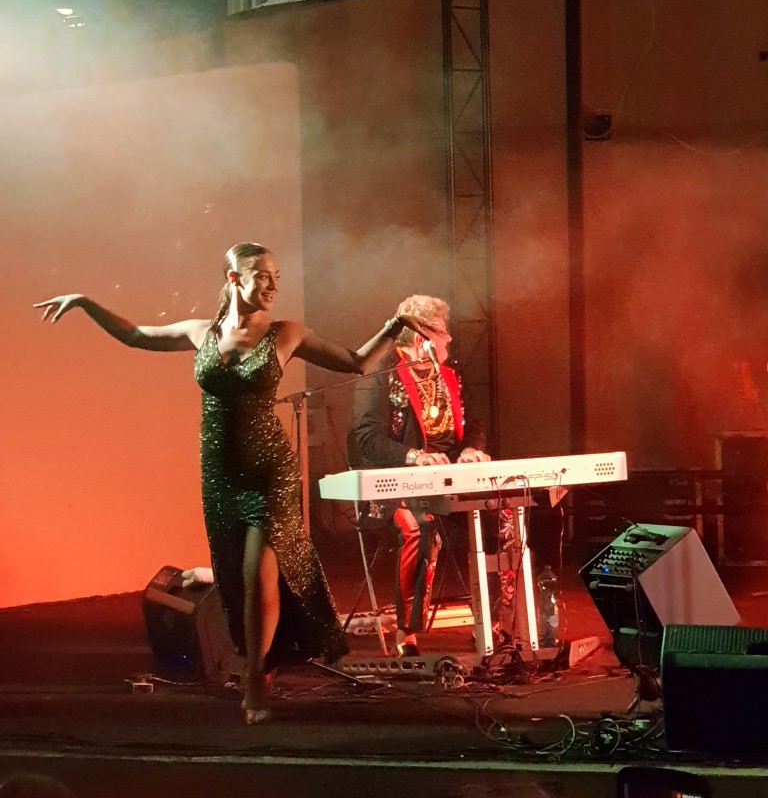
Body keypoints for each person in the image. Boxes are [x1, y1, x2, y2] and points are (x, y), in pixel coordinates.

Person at [34, 242, 435, 725]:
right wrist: (84, 302)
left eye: (276, 276)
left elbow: (356, 361)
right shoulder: (200, 331)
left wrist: (393, 326)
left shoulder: (287, 333)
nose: (272, 285)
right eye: (262, 275)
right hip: (220, 474)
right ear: (234, 279)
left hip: (269, 471)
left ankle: (255, 679)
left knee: (256, 574)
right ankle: (261, 665)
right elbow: (136, 335)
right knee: (233, 578)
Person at [348, 294, 490, 657]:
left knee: (505, 510)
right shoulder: (379, 375)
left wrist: (470, 449)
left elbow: (473, 424)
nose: (449, 338)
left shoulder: (450, 376)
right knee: (419, 526)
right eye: (442, 331)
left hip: (445, 479)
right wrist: (413, 456)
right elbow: (367, 439)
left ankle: (495, 623)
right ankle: (407, 632)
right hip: (392, 484)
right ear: (419, 336)